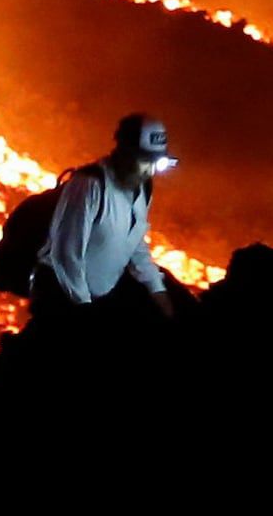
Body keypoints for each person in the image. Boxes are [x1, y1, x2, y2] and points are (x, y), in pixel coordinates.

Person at [26, 112, 184, 363]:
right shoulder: (89, 184)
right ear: (124, 152)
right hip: (62, 300)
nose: (149, 170)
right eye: (144, 161)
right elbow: (67, 253)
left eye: (155, 163)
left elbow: (134, 241)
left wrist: (157, 290)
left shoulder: (142, 188)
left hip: (98, 298)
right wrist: (84, 310)